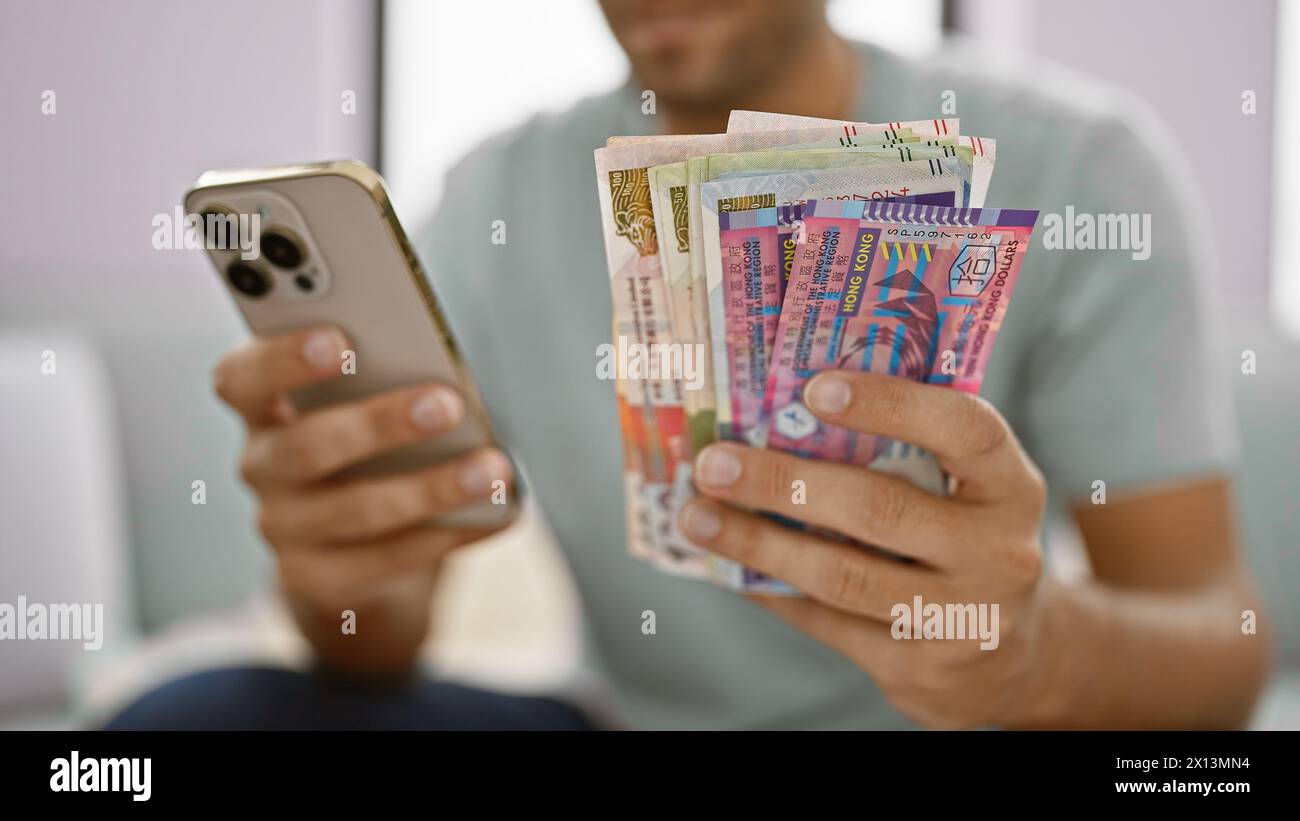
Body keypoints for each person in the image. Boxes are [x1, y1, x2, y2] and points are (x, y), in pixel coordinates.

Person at [107, 0, 1270, 730]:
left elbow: (1218, 653)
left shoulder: (1083, 167)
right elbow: (386, 634)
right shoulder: (491, 197)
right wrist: (337, 569)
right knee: (180, 718)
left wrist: (1030, 662)